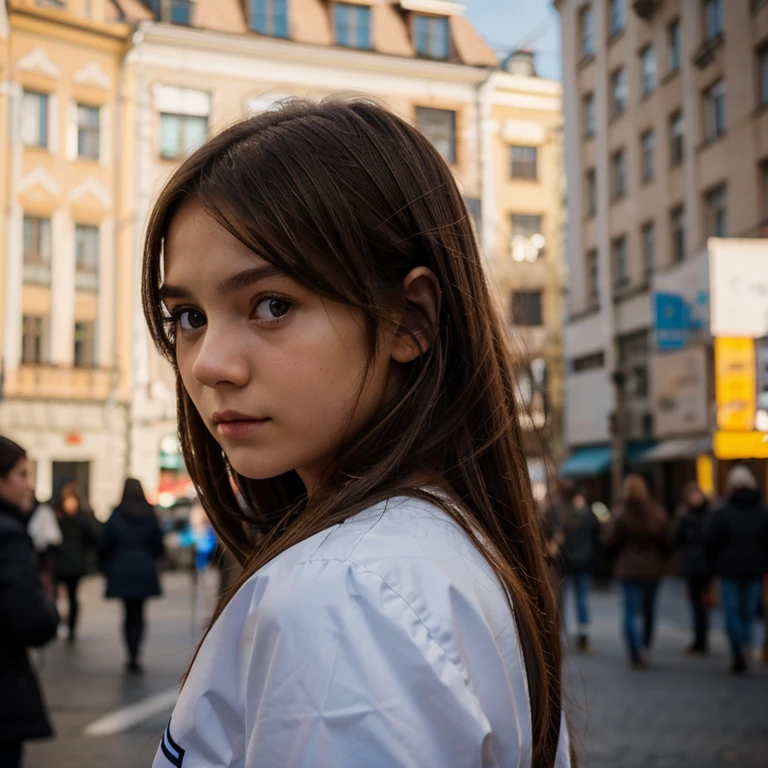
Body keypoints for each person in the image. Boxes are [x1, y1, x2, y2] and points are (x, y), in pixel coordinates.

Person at [141, 98, 571, 767]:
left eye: (271, 305)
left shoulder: (347, 590)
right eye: (189, 316)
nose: (209, 365)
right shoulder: (423, 549)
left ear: (409, 320)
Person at [0, 436, 59, 768]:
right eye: (21, 474)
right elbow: (32, 620)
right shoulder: (9, 536)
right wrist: (48, 608)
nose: (28, 486)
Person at [706, 466, 768, 674]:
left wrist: (715, 565)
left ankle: (737, 648)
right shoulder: (762, 511)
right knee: (749, 612)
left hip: (729, 569)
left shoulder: (722, 512)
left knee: (732, 613)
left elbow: (711, 541)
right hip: (755, 568)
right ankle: (747, 643)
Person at [101, 479, 164, 673]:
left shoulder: (116, 515)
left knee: (128, 613)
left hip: (122, 567)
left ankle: (130, 651)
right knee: (139, 612)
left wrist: (108, 565)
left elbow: (104, 543)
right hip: (144, 566)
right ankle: (136, 652)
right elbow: (158, 545)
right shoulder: (150, 515)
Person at [607, 474, 669, 669]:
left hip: (629, 568)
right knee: (649, 610)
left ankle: (635, 649)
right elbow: (667, 541)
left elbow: (610, 541)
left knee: (632, 612)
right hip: (652, 569)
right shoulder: (657, 512)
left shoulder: (621, 513)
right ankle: (645, 644)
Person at [556, 482, 600, 652]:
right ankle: (583, 635)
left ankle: (562, 633)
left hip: (567, 561)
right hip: (585, 561)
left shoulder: (565, 515)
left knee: (563, 598)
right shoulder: (589, 515)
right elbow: (597, 538)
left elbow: (561, 537)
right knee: (582, 598)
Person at [53, 482, 98, 643]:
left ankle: (68, 627)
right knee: (60, 596)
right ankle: (62, 625)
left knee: (70, 596)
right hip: (66, 562)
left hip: (70, 563)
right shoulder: (63, 516)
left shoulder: (60, 516)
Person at [674, 481, 713, 655]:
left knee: (704, 603)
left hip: (706, 565)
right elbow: (677, 539)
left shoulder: (710, 514)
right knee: (696, 604)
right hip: (692, 565)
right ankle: (699, 639)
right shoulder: (686, 516)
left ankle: (702, 639)